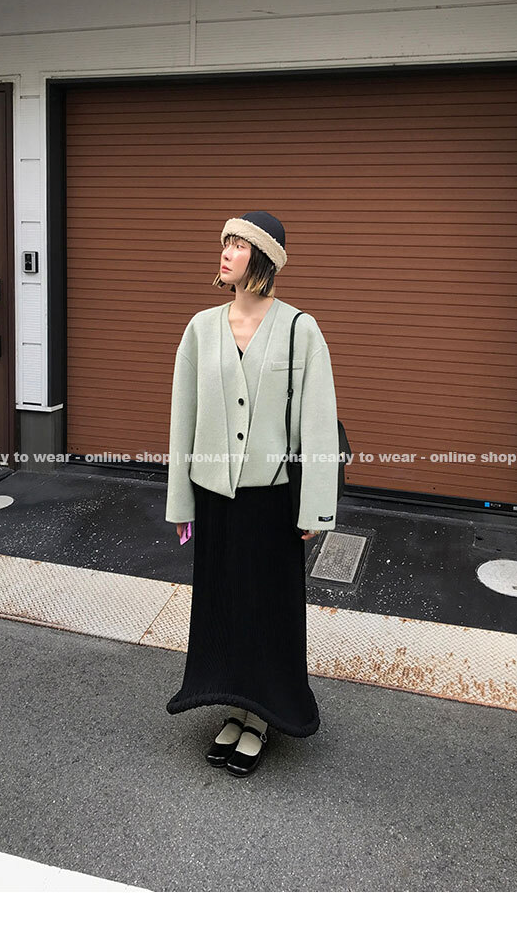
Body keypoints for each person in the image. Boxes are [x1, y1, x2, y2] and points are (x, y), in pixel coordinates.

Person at [164, 211, 340, 777]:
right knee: (224, 604)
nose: (225, 252)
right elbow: (183, 419)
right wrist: (180, 501)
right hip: (216, 496)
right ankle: (234, 705)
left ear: (262, 259)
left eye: (238, 244)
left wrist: (316, 507)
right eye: (225, 242)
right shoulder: (200, 328)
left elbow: (318, 422)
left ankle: (261, 715)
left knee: (268, 608)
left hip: (272, 499)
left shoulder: (300, 329)